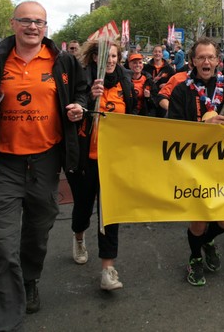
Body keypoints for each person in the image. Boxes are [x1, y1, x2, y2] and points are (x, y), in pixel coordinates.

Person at [0, 1, 87, 330]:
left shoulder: (63, 60)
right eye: (26, 20)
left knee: (37, 233)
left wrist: (78, 106)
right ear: (13, 24)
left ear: (46, 27)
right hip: (3, 165)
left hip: (45, 162)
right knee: (3, 243)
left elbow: (80, 92)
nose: (32, 27)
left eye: (39, 22)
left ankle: (29, 279)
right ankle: (5, 322)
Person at [167, 37, 224, 286]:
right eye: (201, 57)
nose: (206, 61)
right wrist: (202, 125)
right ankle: (195, 257)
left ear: (218, 61)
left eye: (210, 57)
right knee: (198, 223)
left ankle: (208, 241)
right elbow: (171, 130)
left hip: (223, 165)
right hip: (194, 166)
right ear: (193, 61)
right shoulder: (182, 90)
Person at [68, 41, 135, 292]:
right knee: (83, 208)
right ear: (95, 57)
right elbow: (72, 112)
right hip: (86, 158)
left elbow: (133, 116)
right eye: (106, 56)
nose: (111, 60)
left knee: (109, 214)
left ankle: (108, 269)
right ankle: (78, 236)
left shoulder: (125, 82)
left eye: (115, 56)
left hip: (113, 159)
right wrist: (88, 99)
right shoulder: (82, 80)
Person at [143, 45, 175, 114]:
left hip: (163, 98)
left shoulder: (169, 69)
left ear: (162, 54)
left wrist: (166, 85)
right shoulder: (146, 67)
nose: (157, 53)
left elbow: (174, 83)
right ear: (152, 53)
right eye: (155, 51)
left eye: (159, 52)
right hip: (150, 98)